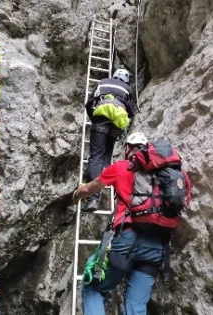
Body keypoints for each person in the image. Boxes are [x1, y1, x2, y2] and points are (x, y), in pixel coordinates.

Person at [73, 133, 191, 315]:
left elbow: (90, 188)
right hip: (157, 248)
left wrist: (77, 194)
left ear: (127, 148)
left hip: (126, 242)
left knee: (93, 287)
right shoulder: (171, 175)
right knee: (136, 305)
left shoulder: (121, 167)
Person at [83, 68, 136, 212]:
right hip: (117, 123)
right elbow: (131, 111)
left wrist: (95, 119)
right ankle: (105, 177)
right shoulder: (126, 89)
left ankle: (93, 198)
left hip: (101, 119)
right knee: (106, 156)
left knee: (96, 156)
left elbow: (89, 103)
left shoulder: (102, 82)